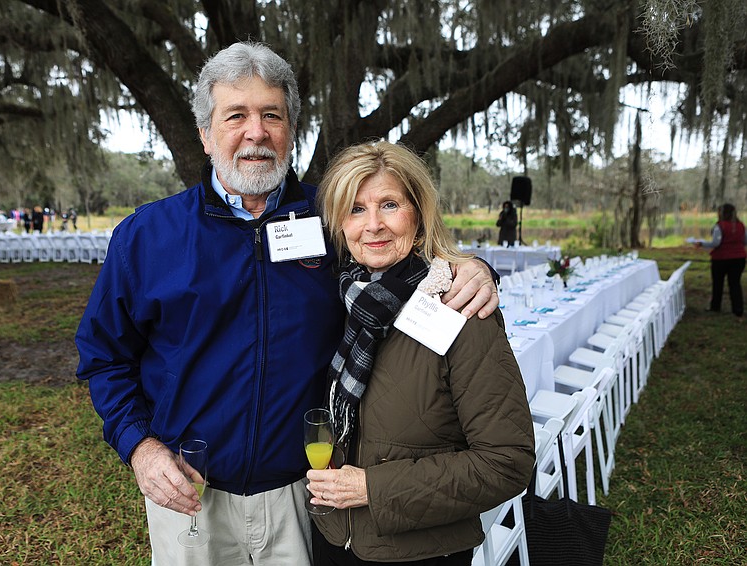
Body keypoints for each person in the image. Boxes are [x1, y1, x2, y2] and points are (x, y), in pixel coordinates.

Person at [75, 42, 499, 566]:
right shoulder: (147, 236)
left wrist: (472, 266)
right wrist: (139, 447)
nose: (256, 132)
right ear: (205, 135)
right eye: (236, 116)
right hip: (191, 497)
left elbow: (406, 250)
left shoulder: (334, 219)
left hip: (306, 497)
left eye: (271, 115)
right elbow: (104, 358)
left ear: (290, 130)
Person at [306, 141, 535, 565]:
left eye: (389, 205)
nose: (372, 225)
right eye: (356, 209)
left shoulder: (461, 307)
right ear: (339, 223)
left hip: (421, 551)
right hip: (335, 536)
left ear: (419, 211)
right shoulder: (338, 299)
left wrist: (373, 488)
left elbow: (507, 461)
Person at [695, 203, 746, 318]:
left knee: (718, 283)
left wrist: (702, 243)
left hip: (721, 258)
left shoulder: (720, 226)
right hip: (739, 258)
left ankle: (715, 306)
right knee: (735, 284)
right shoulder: (741, 225)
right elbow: (745, 241)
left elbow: (715, 243)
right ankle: (738, 309)